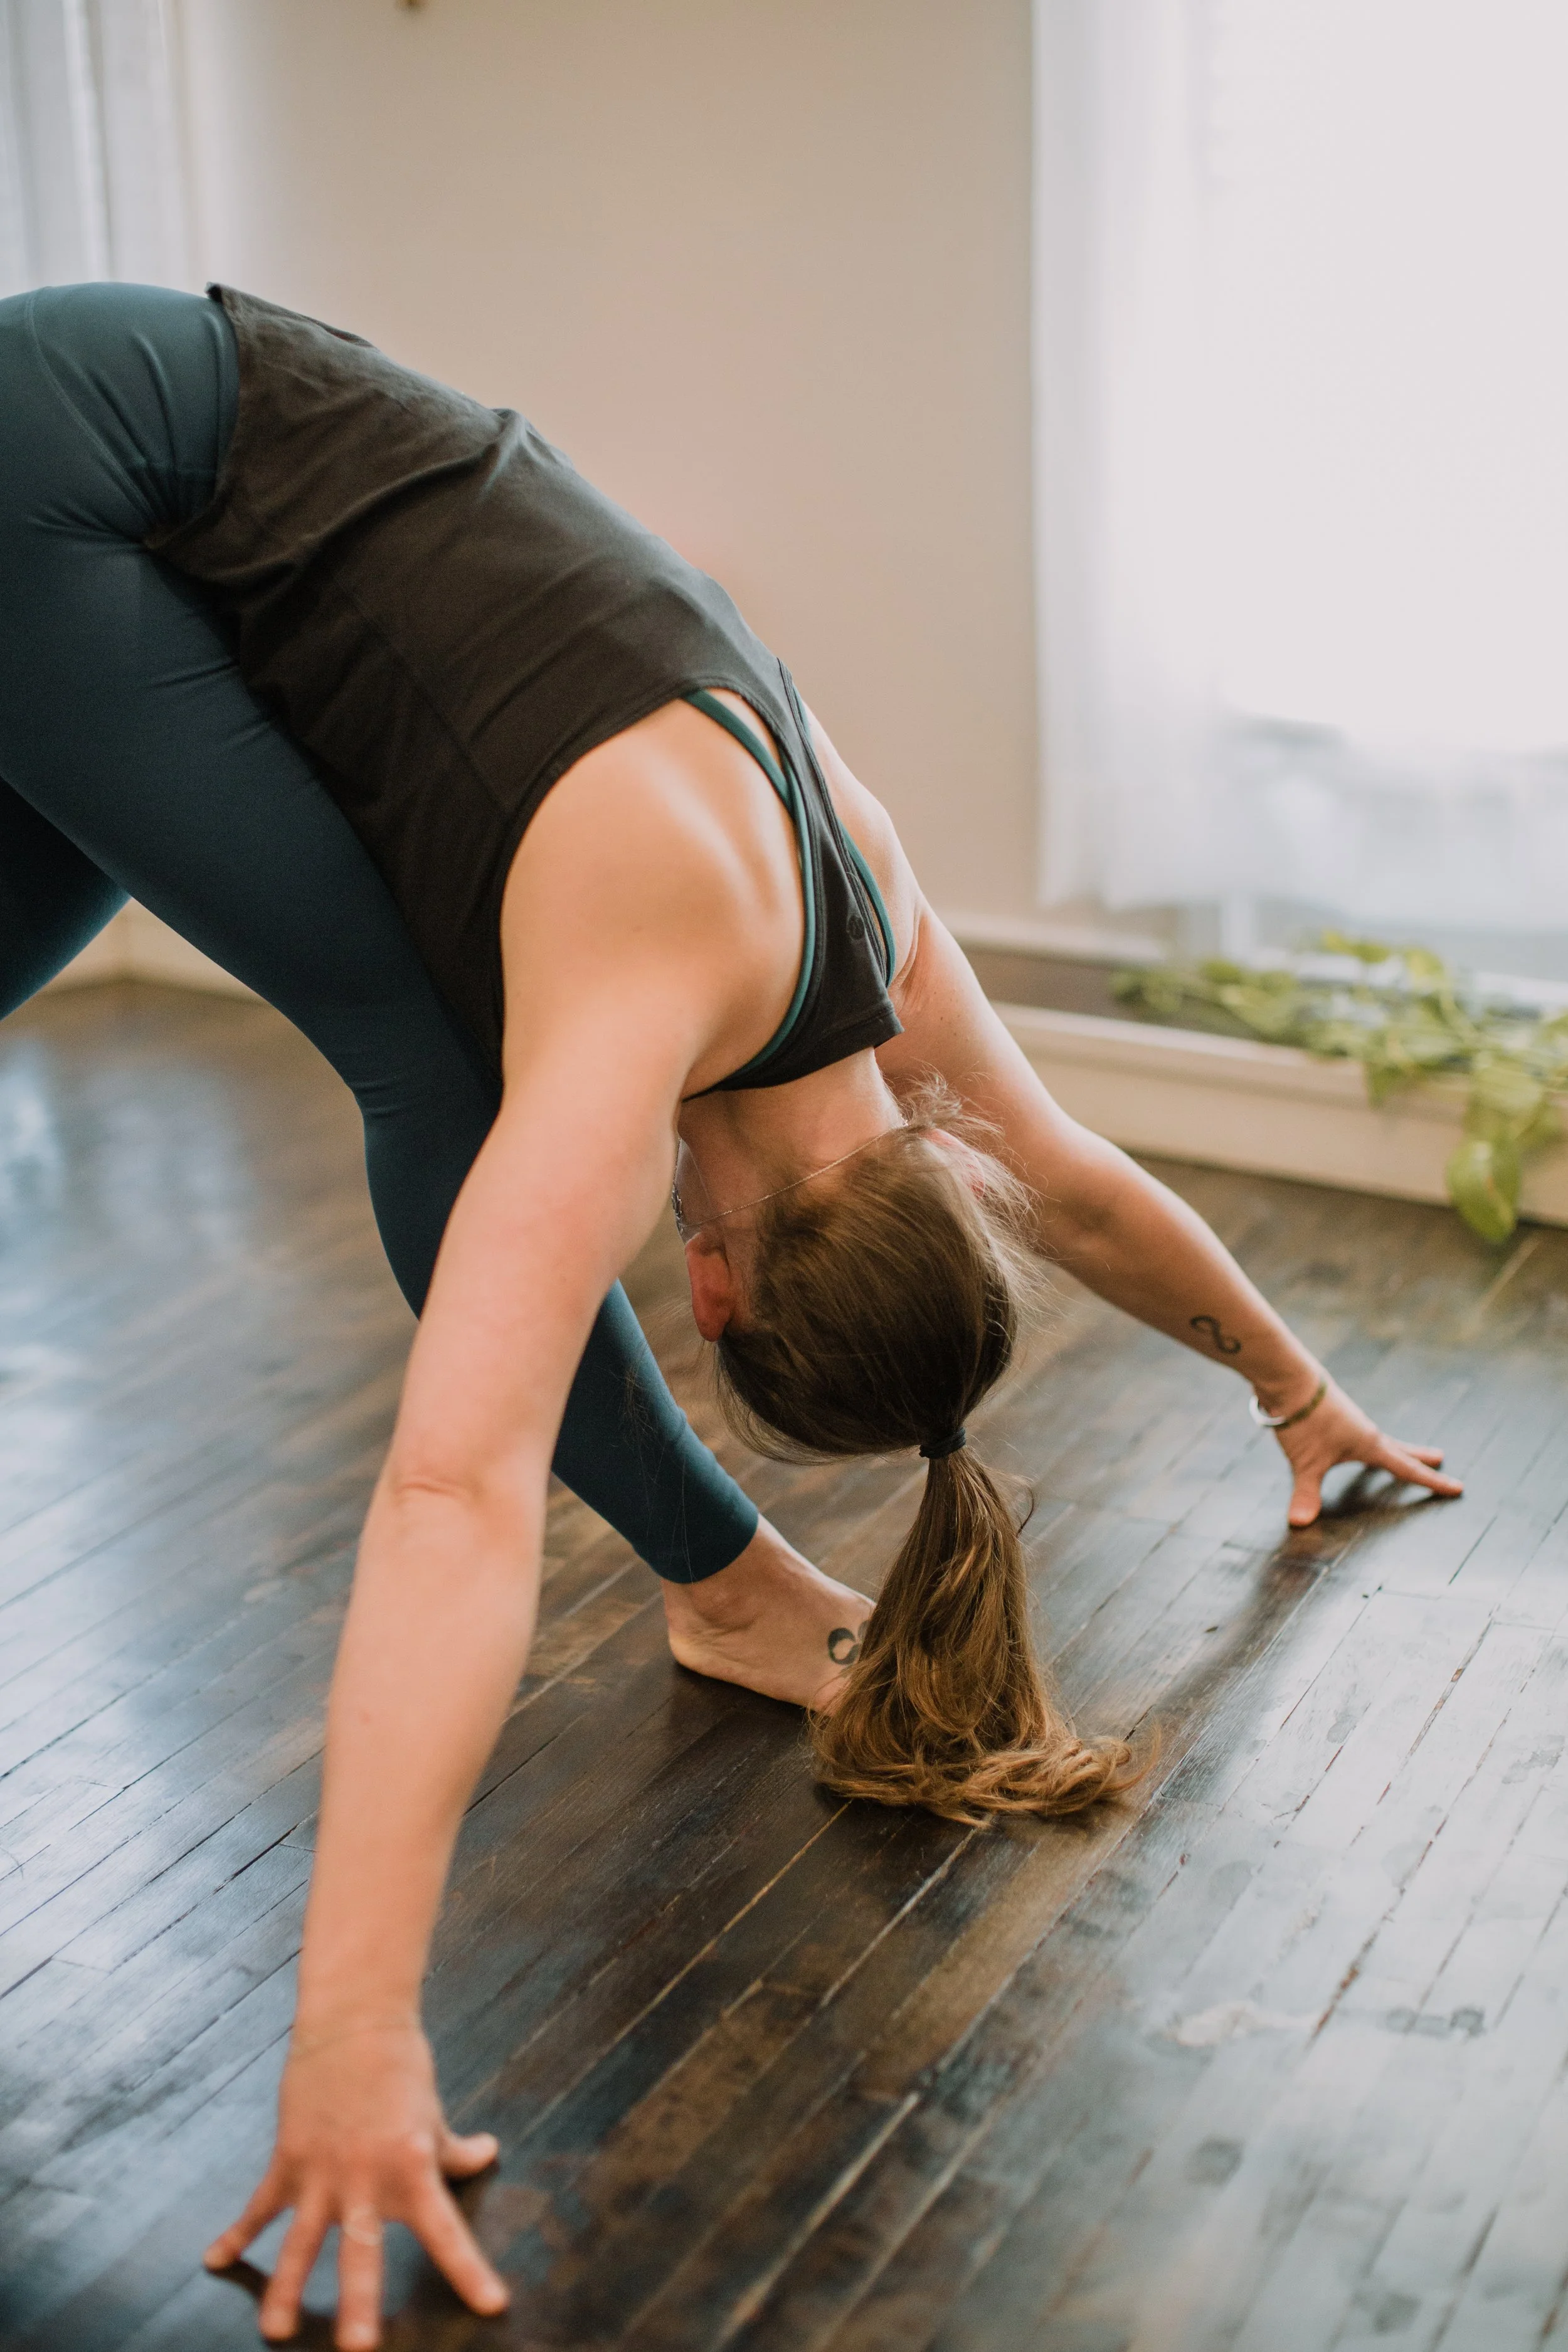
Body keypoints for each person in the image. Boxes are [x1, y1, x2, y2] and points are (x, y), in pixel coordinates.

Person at [0, 280, 1461, 2350]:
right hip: (85, 446)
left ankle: (730, 1578)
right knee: (435, 1052)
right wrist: (347, 2033)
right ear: (717, 1284)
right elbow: (451, 1489)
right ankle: (722, 1577)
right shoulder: (638, 978)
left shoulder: (871, 918)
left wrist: (1297, 1395)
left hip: (131, 448)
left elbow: (1074, 1181)